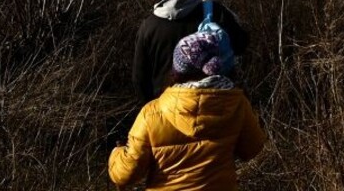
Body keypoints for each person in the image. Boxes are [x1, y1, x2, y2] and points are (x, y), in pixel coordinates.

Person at [110, 31, 265, 189]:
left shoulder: (152, 114)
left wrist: (117, 153)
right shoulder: (237, 104)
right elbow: (252, 149)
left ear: (178, 70)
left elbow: (126, 174)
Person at [133, 0, 249, 104]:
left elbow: (139, 77)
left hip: (166, 108)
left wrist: (151, 107)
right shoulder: (215, 12)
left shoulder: (148, 25)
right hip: (209, 104)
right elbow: (241, 45)